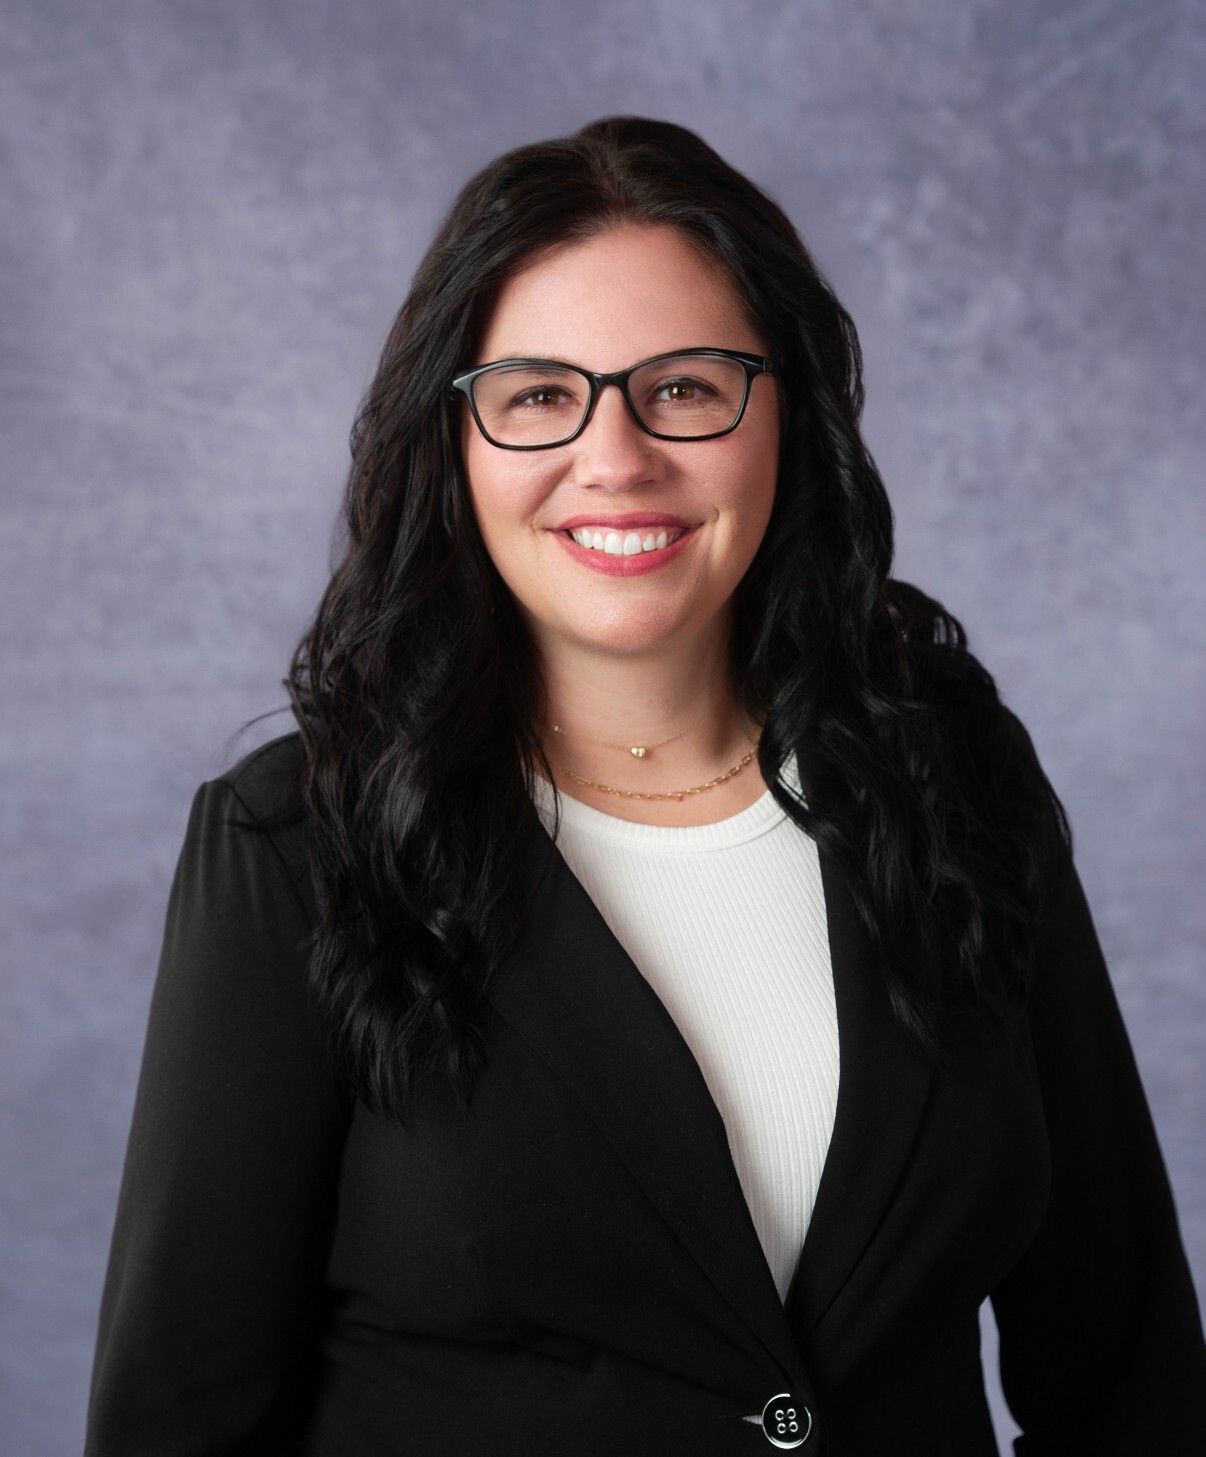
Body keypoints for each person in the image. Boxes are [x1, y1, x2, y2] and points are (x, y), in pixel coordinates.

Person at [83, 115, 1206, 1456]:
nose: (615, 458)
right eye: (539, 394)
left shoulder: (951, 787)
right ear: (453, 441)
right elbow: (179, 1422)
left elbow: (1128, 1371)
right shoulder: (295, 846)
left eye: (682, 386)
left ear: (787, 413)